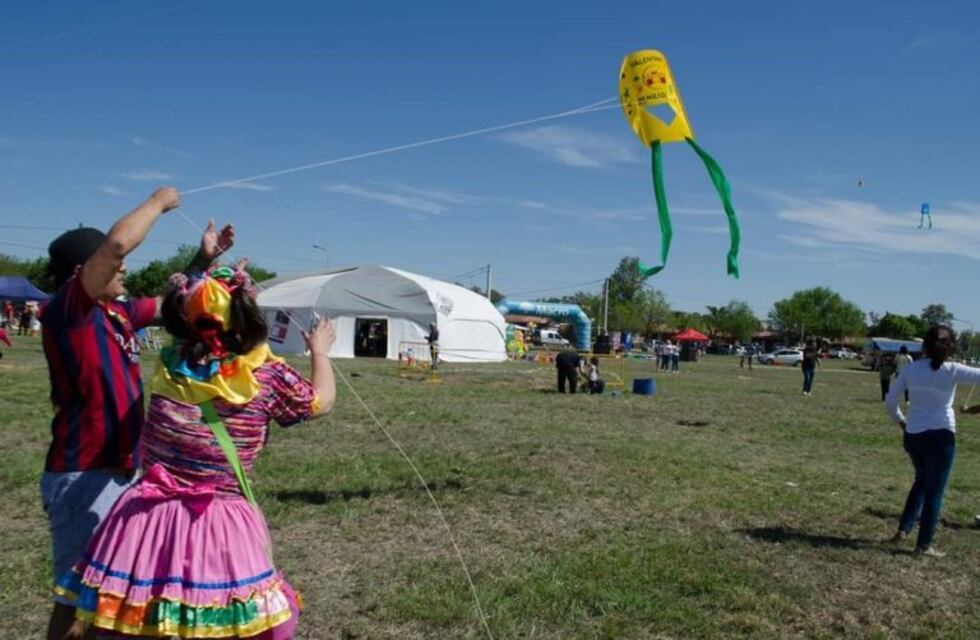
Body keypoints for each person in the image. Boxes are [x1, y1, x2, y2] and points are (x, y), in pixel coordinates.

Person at [54, 262, 337, 638]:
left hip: (145, 520)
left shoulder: (171, 365)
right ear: (244, 314)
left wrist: (205, 279)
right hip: (218, 521)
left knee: (142, 618)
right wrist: (320, 351)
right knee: (223, 619)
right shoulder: (266, 377)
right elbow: (320, 402)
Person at [39, 187, 232, 640]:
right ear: (82, 273)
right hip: (84, 474)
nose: (124, 267)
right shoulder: (70, 311)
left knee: (108, 597)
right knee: (77, 603)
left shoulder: (117, 311)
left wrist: (202, 262)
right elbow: (120, 244)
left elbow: (173, 305)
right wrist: (158, 202)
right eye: (111, 263)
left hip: (123, 472)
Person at [884, 325, 980, 556]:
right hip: (941, 436)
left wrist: (901, 421)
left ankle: (903, 530)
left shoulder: (910, 369)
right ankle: (923, 545)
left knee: (920, 482)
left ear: (924, 346)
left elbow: (890, 401)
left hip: (914, 435)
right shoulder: (953, 369)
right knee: (935, 491)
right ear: (951, 347)